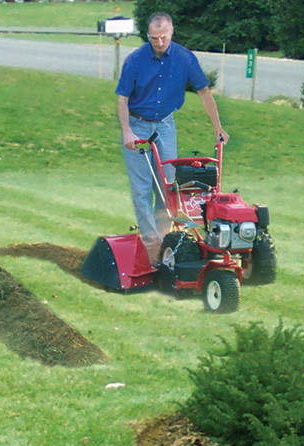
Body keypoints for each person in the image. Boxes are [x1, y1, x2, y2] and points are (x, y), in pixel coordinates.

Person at [115, 11, 229, 266]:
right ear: (148, 36)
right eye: (154, 38)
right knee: (142, 189)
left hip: (165, 125)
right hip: (137, 125)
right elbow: (122, 99)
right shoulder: (135, 60)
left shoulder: (184, 58)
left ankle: (167, 241)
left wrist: (217, 127)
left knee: (168, 189)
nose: (159, 42)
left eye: (163, 37)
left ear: (171, 32)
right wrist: (126, 131)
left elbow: (204, 92)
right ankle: (153, 247)